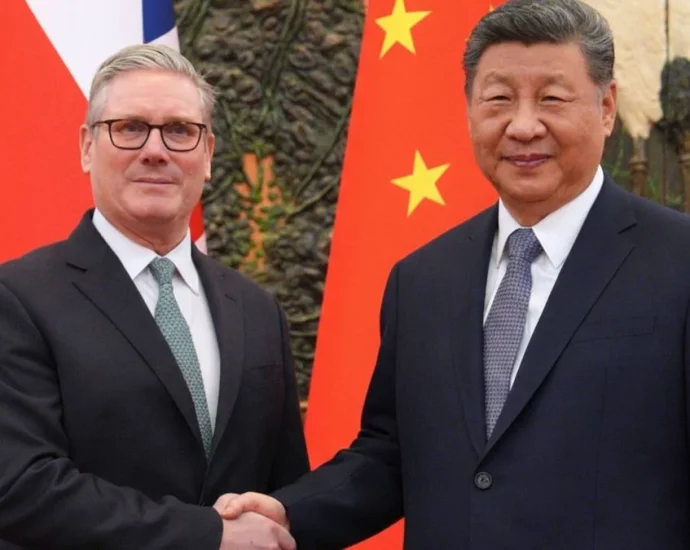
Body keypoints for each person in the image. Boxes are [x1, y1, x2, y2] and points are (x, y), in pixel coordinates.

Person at [218, 0, 690, 548]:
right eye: (498, 99)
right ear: (469, 109)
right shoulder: (421, 280)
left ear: (606, 107)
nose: (523, 125)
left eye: (552, 99)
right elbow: (391, 454)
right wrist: (286, 514)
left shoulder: (677, 262)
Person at [0, 44, 308, 550]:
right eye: (130, 128)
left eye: (180, 131)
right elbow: (20, 486)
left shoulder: (256, 310)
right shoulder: (17, 298)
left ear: (208, 155)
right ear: (87, 147)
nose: (156, 150)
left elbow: (283, 490)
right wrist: (208, 535)